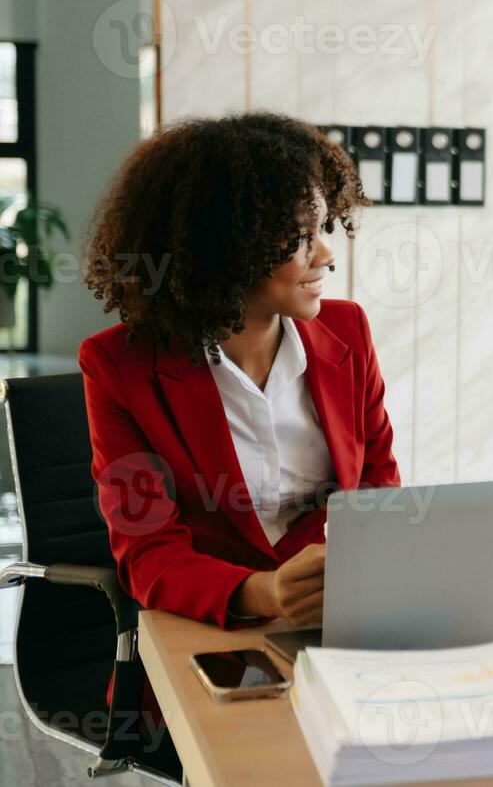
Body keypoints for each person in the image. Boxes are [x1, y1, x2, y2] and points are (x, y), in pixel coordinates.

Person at [81, 113, 400, 628]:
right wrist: (263, 593)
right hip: (206, 626)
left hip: (337, 621)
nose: (325, 254)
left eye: (322, 227)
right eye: (299, 236)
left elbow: (379, 491)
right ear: (224, 247)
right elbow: (147, 553)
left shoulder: (348, 332)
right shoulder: (120, 366)